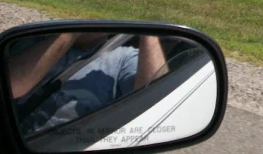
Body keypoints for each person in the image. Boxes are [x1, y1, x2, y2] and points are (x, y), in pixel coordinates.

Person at [8, 33, 167, 135]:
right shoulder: (32, 40)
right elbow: (14, 85)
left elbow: (158, 107)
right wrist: (70, 32)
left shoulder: (124, 57)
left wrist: (148, 34)